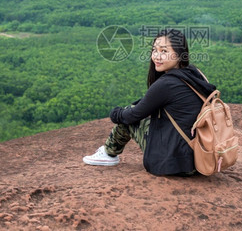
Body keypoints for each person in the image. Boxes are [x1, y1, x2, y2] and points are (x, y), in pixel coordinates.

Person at [83, 29, 216, 176]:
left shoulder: (166, 84)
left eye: (164, 51)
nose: (156, 56)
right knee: (136, 111)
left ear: (180, 54)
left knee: (127, 117)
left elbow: (132, 116)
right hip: (200, 158)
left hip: (176, 164)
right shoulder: (195, 73)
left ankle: (109, 153)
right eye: (154, 50)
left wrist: (115, 113)